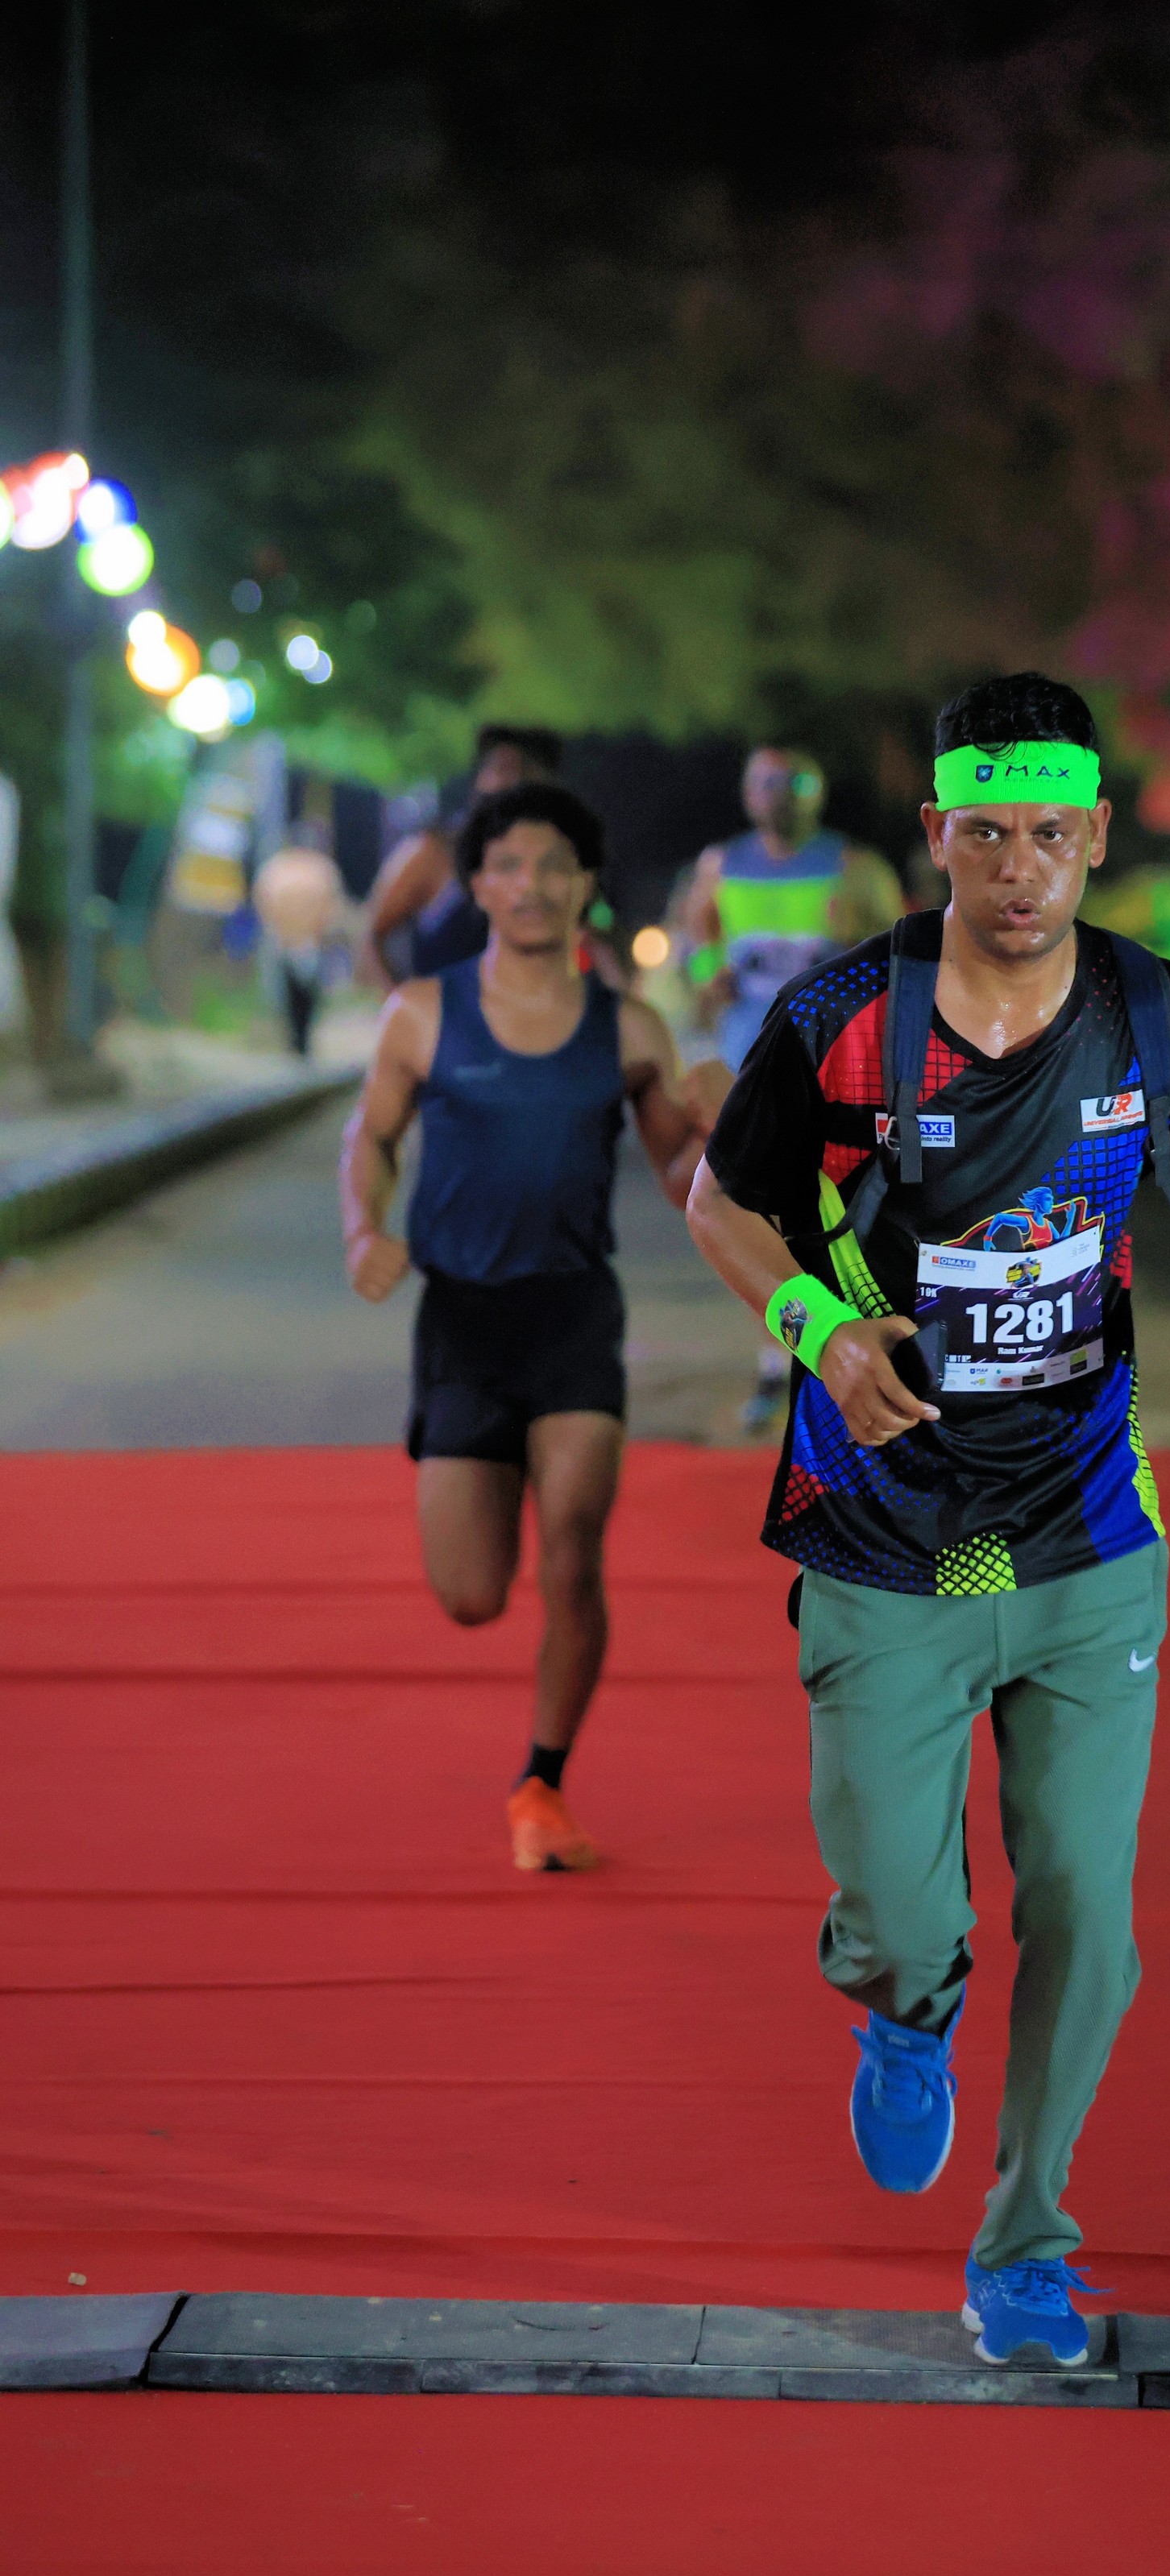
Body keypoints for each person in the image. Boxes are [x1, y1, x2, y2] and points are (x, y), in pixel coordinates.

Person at [687, 671, 1170, 2365]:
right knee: (907, 1914)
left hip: (1084, 1540)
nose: (1018, 867)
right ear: (937, 835)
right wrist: (819, 1332)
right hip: (879, 1529)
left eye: (1051, 834)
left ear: (1096, 838)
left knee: (1089, 1921)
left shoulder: (1159, 1017)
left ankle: (1026, 2244)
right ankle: (905, 2003)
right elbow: (720, 1199)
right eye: (985, 832)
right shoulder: (842, 1014)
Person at [341, 779, 729, 1874]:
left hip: (572, 1314)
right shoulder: (423, 1013)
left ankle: (542, 1786)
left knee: (572, 1548)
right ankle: (492, 1471)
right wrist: (362, 1228)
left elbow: (680, 1180)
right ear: (477, 885)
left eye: (556, 866)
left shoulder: (629, 1029)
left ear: (586, 886)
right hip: (462, 1323)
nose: (532, 885)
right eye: (509, 865)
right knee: (471, 1596)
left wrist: (717, 1129)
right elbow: (369, 1137)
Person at [682, 745, 904, 1428]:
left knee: (840, 1215)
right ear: (748, 792)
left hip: (836, 1064)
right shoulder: (721, 865)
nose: (782, 794)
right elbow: (693, 941)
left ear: (819, 791)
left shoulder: (855, 866)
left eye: (796, 782)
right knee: (757, 1216)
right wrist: (709, 974)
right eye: (768, 782)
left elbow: (903, 953)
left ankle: (848, 1349)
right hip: (748, 1057)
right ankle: (781, 1360)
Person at [363, 726, 568, 987]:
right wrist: (401, 1002)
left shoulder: (556, 864)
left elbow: (592, 931)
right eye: (500, 767)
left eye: (526, 770)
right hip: (446, 1009)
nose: (511, 781)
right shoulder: (435, 852)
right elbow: (371, 939)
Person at [252, 833, 351, 1058]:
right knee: (298, 992)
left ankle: (300, 1040)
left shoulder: (285, 868)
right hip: (296, 940)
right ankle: (299, 1040)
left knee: (302, 992)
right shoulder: (310, 868)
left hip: (300, 940)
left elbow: (263, 900)